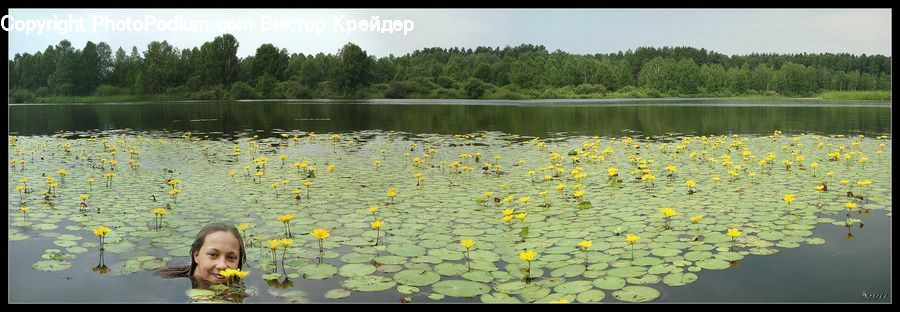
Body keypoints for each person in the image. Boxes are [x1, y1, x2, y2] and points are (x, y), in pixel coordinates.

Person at [157, 222, 247, 288]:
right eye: (213, 254)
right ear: (196, 256)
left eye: (231, 257)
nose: (222, 265)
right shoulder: (169, 287)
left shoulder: (239, 287)